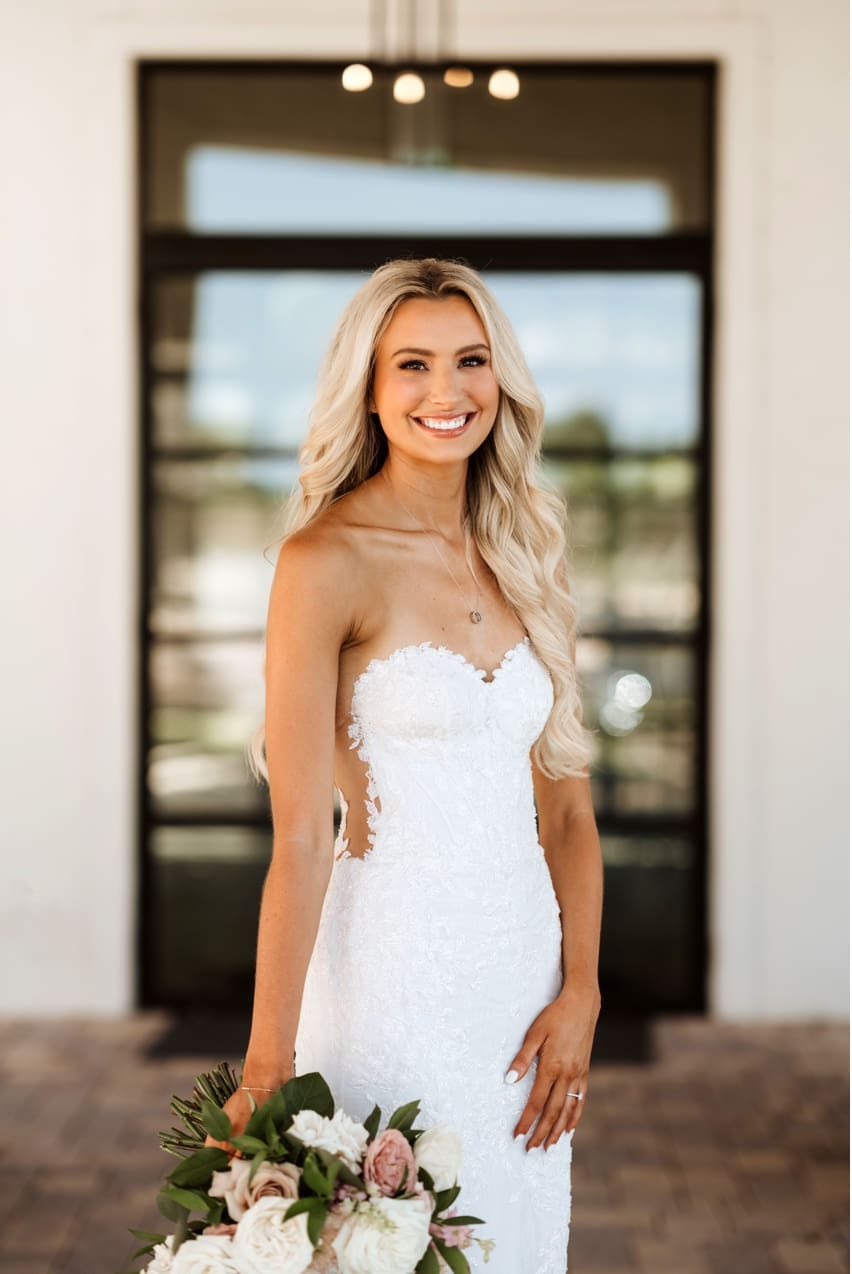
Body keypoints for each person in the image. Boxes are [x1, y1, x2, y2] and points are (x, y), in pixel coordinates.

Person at [206, 257, 603, 1270]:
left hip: (522, 984)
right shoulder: (324, 560)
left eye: (471, 361)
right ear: (371, 391)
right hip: (389, 975)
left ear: (500, 380)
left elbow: (566, 814)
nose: (446, 391)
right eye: (412, 365)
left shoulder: (528, 552)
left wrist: (584, 988)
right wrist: (266, 1064)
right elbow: (298, 835)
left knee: (512, 1239)